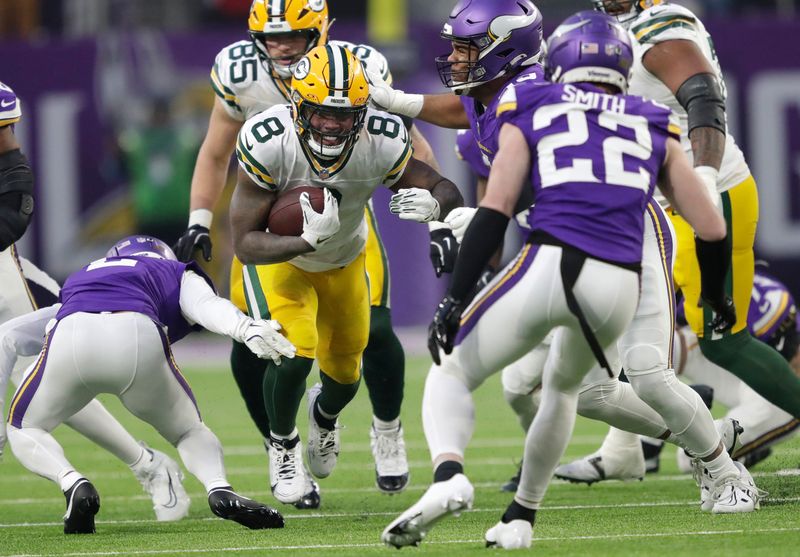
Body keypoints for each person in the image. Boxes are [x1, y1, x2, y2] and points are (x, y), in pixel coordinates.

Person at [382, 11, 752, 550]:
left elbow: (501, 204)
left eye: (468, 48)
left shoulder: (530, 101)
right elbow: (710, 224)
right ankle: (668, 448)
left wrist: (455, 237)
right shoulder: (641, 115)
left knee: (641, 372)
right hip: (576, 246)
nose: (456, 59)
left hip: (624, 238)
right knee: (566, 388)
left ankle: (721, 467)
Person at [172, 0, 448, 502]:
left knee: (371, 335)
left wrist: (437, 215)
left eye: (294, 35)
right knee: (270, 344)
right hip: (272, 222)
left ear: (322, 30)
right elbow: (215, 154)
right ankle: (279, 446)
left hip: (343, 218)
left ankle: (382, 429)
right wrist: (200, 218)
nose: (280, 46)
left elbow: (416, 153)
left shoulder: (362, 74)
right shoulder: (245, 85)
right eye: (271, 36)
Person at [230, 44, 462, 507]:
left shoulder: (381, 138)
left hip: (344, 260)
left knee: (345, 376)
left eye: (344, 113)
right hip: (282, 264)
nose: (332, 124)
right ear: (298, 106)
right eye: (321, 113)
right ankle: (282, 445)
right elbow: (245, 243)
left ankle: (324, 413)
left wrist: (439, 206)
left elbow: (443, 185)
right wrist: (303, 242)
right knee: (293, 352)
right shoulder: (267, 139)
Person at [591, 0, 800, 420]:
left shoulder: (659, 27)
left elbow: (703, 99)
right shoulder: (615, 32)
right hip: (660, 205)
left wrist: (702, 176)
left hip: (704, 195)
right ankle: (628, 449)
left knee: (723, 340)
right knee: (621, 326)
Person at [4, 235, 294, 534]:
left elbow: (9, 336)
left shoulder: (87, 273)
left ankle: (73, 483)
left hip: (71, 333)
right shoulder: (173, 271)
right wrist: (244, 328)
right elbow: (206, 305)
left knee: (24, 426)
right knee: (187, 431)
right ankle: (219, 489)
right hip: (135, 334)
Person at [0, 81, 195, 522]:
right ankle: (113, 472)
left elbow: (11, 219)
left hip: (8, 283)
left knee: (49, 377)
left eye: (7, 128)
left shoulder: (12, 168)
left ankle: (145, 464)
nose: (9, 140)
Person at [557, 267, 800, 481]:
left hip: (778, 387)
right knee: (654, 346)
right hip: (732, 365)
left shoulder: (762, 305)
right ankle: (632, 446)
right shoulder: (695, 275)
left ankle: (735, 445)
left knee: (692, 456)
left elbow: (791, 363)